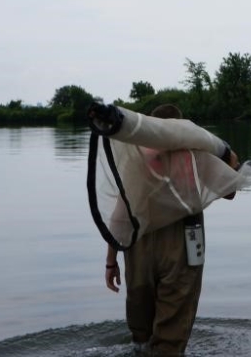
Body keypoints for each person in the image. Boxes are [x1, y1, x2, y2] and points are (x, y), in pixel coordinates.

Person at [103, 104, 241, 355]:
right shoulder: (194, 155)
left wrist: (111, 261)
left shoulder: (137, 159)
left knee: (141, 330)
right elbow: (230, 191)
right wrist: (230, 160)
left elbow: (120, 214)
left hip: (139, 242)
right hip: (183, 243)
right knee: (173, 325)